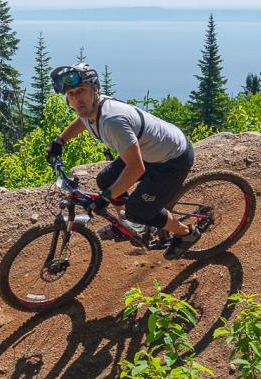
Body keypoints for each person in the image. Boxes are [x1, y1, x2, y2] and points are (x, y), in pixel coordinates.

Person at [45, 62, 202, 260]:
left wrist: (105, 199)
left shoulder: (112, 121)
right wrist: (60, 141)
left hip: (172, 159)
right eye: (71, 94)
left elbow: (136, 169)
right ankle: (128, 224)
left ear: (95, 89)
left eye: (81, 91)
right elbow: (82, 121)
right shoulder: (90, 109)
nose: (77, 99)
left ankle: (184, 234)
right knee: (105, 180)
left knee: (138, 211)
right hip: (150, 152)